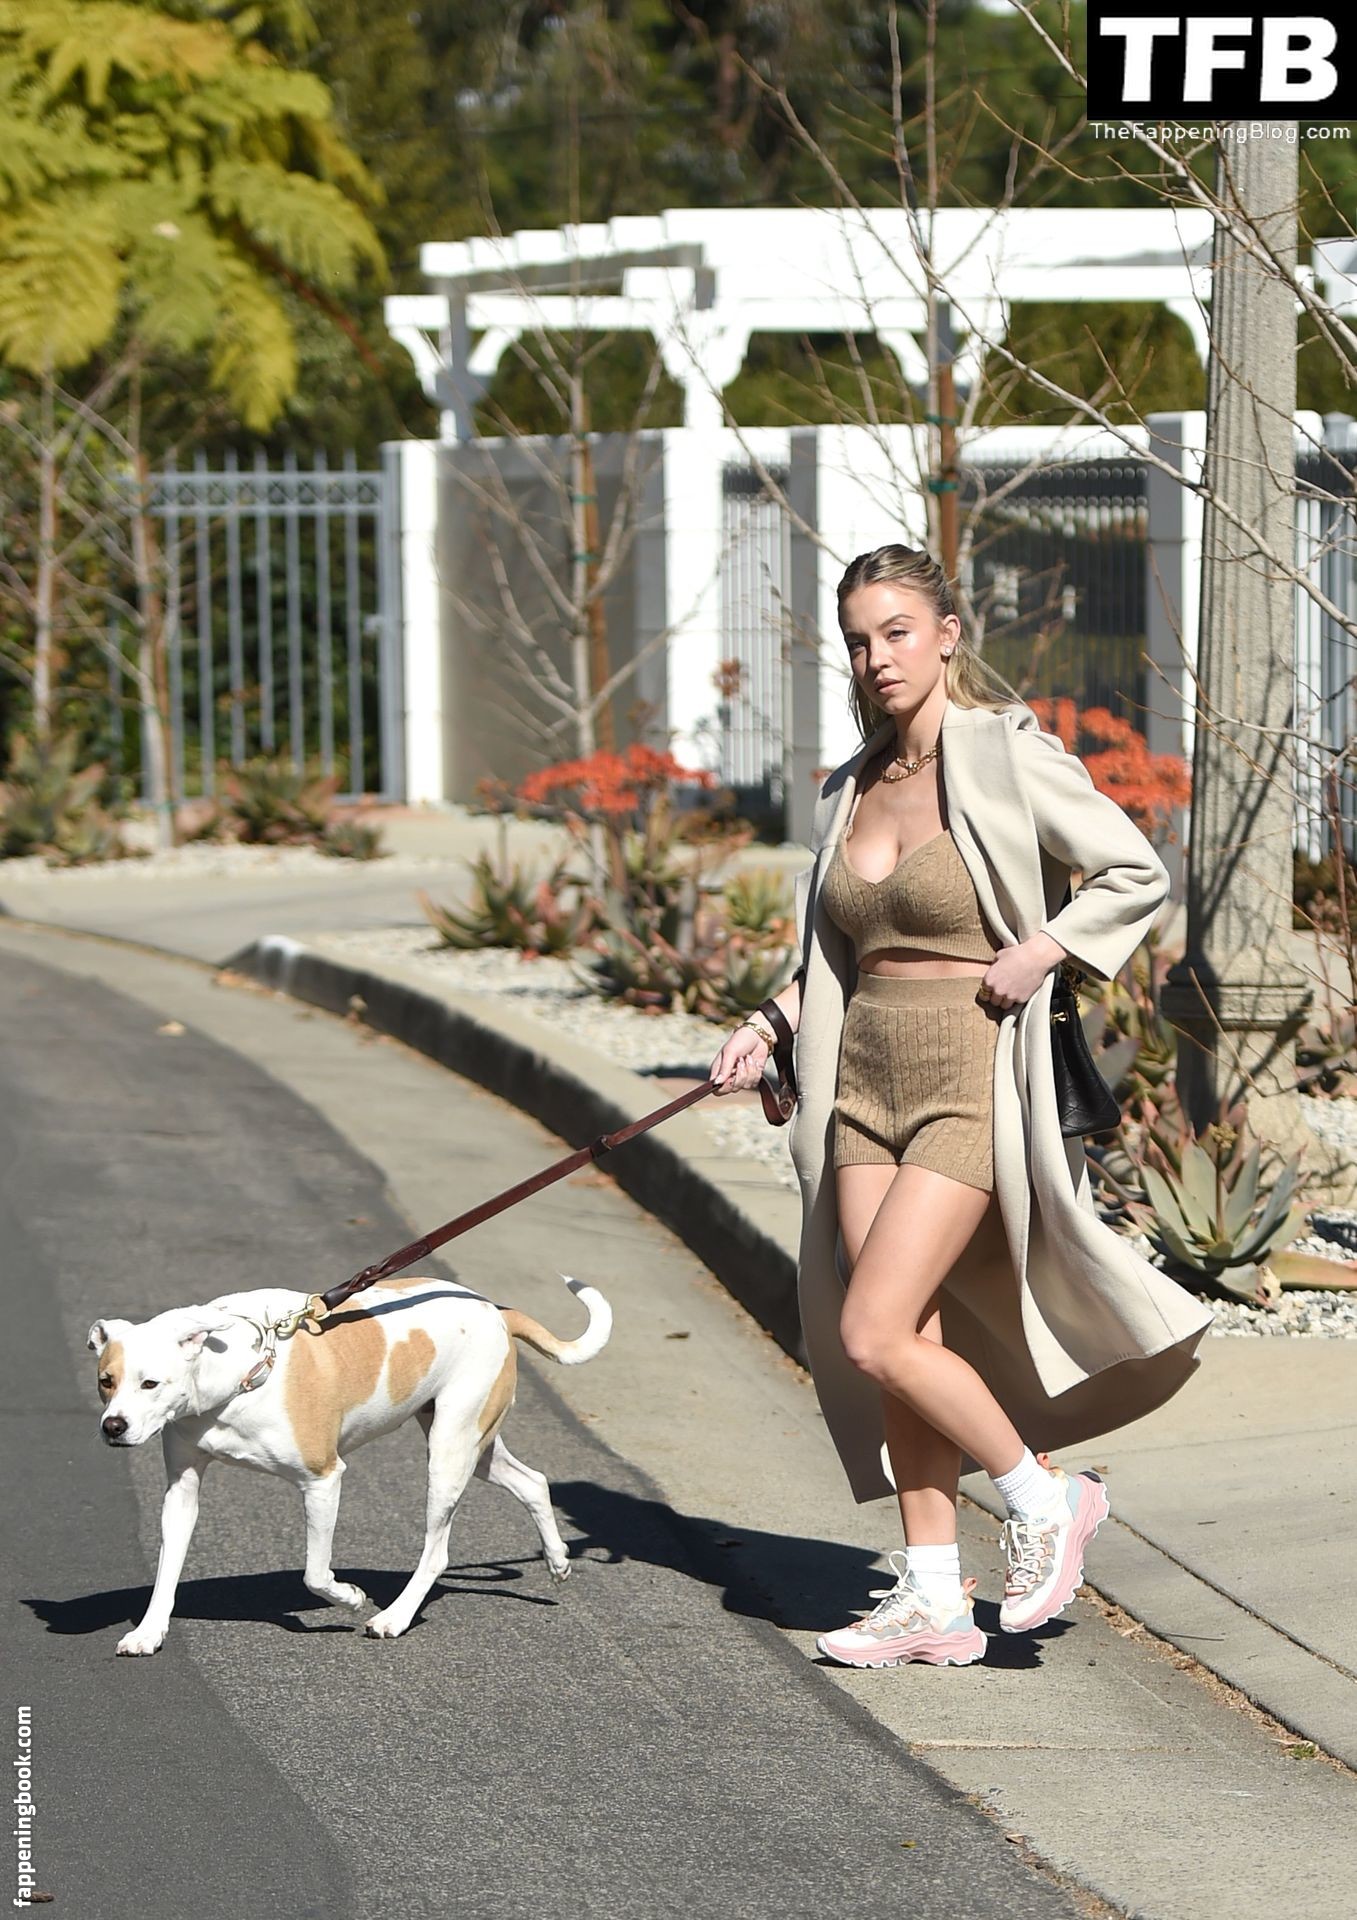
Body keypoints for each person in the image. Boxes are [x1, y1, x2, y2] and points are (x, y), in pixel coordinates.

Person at [709, 544, 1213, 1670]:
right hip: (860, 1080)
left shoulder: (1001, 751)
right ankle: (933, 1596)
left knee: (870, 1329)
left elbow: (1132, 871)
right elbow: (840, 957)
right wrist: (768, 1025)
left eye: (896, 632)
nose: (876, 657)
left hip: (967, 1074)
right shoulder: (850, 785)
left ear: (946, 635)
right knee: (905, 1339)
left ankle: (1043, 1496)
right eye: (857, 640)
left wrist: (1045, 949)